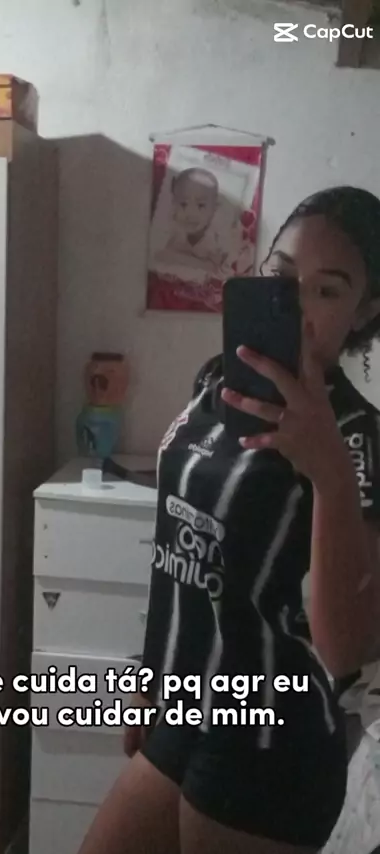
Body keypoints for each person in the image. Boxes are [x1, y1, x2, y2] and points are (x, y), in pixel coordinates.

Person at [77, 186, 380, 854]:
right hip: (185, 707)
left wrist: (328, 470)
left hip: (272, 739)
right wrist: (151, 678)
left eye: (327, 290)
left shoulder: (358, 435)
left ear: (365, 311)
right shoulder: (216, 381)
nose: (296, 304)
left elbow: (344, 649)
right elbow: (179, 550)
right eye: (282, 275)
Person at [155, 167, 228, 274]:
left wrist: (179, 258)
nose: (190, 213)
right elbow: (160, 257)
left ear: (214, 208)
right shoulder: (173, 231)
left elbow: (214, 269)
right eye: (183, 204)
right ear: (174, 203)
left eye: (201, 205)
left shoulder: (217, 241)